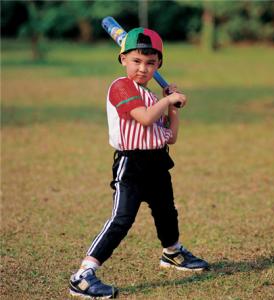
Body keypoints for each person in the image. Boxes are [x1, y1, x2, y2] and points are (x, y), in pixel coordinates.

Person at [69, 27, 209, 299]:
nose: (143, 69)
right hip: (132, 165)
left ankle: (173, 253)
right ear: (123, 59)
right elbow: (144, 118)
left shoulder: (151, 97)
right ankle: (83, 275)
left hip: (157, 163)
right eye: (136, 61)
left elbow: (171, 137)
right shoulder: (120, 87)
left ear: (158, 65)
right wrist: (167, 98)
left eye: (150, 63)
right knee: (122, 220)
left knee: (167, 211)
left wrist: (172, 107)